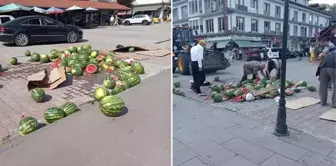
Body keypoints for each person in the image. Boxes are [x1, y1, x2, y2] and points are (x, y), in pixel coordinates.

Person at [316, 36, 336, 107]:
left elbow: (323, 54)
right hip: (333, 66)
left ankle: (323, 102)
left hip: (323, 66)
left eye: (320, 42)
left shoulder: (328, 45)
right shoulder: (330, 45)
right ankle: (334, 104)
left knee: (323, 85)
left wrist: (321, 55)